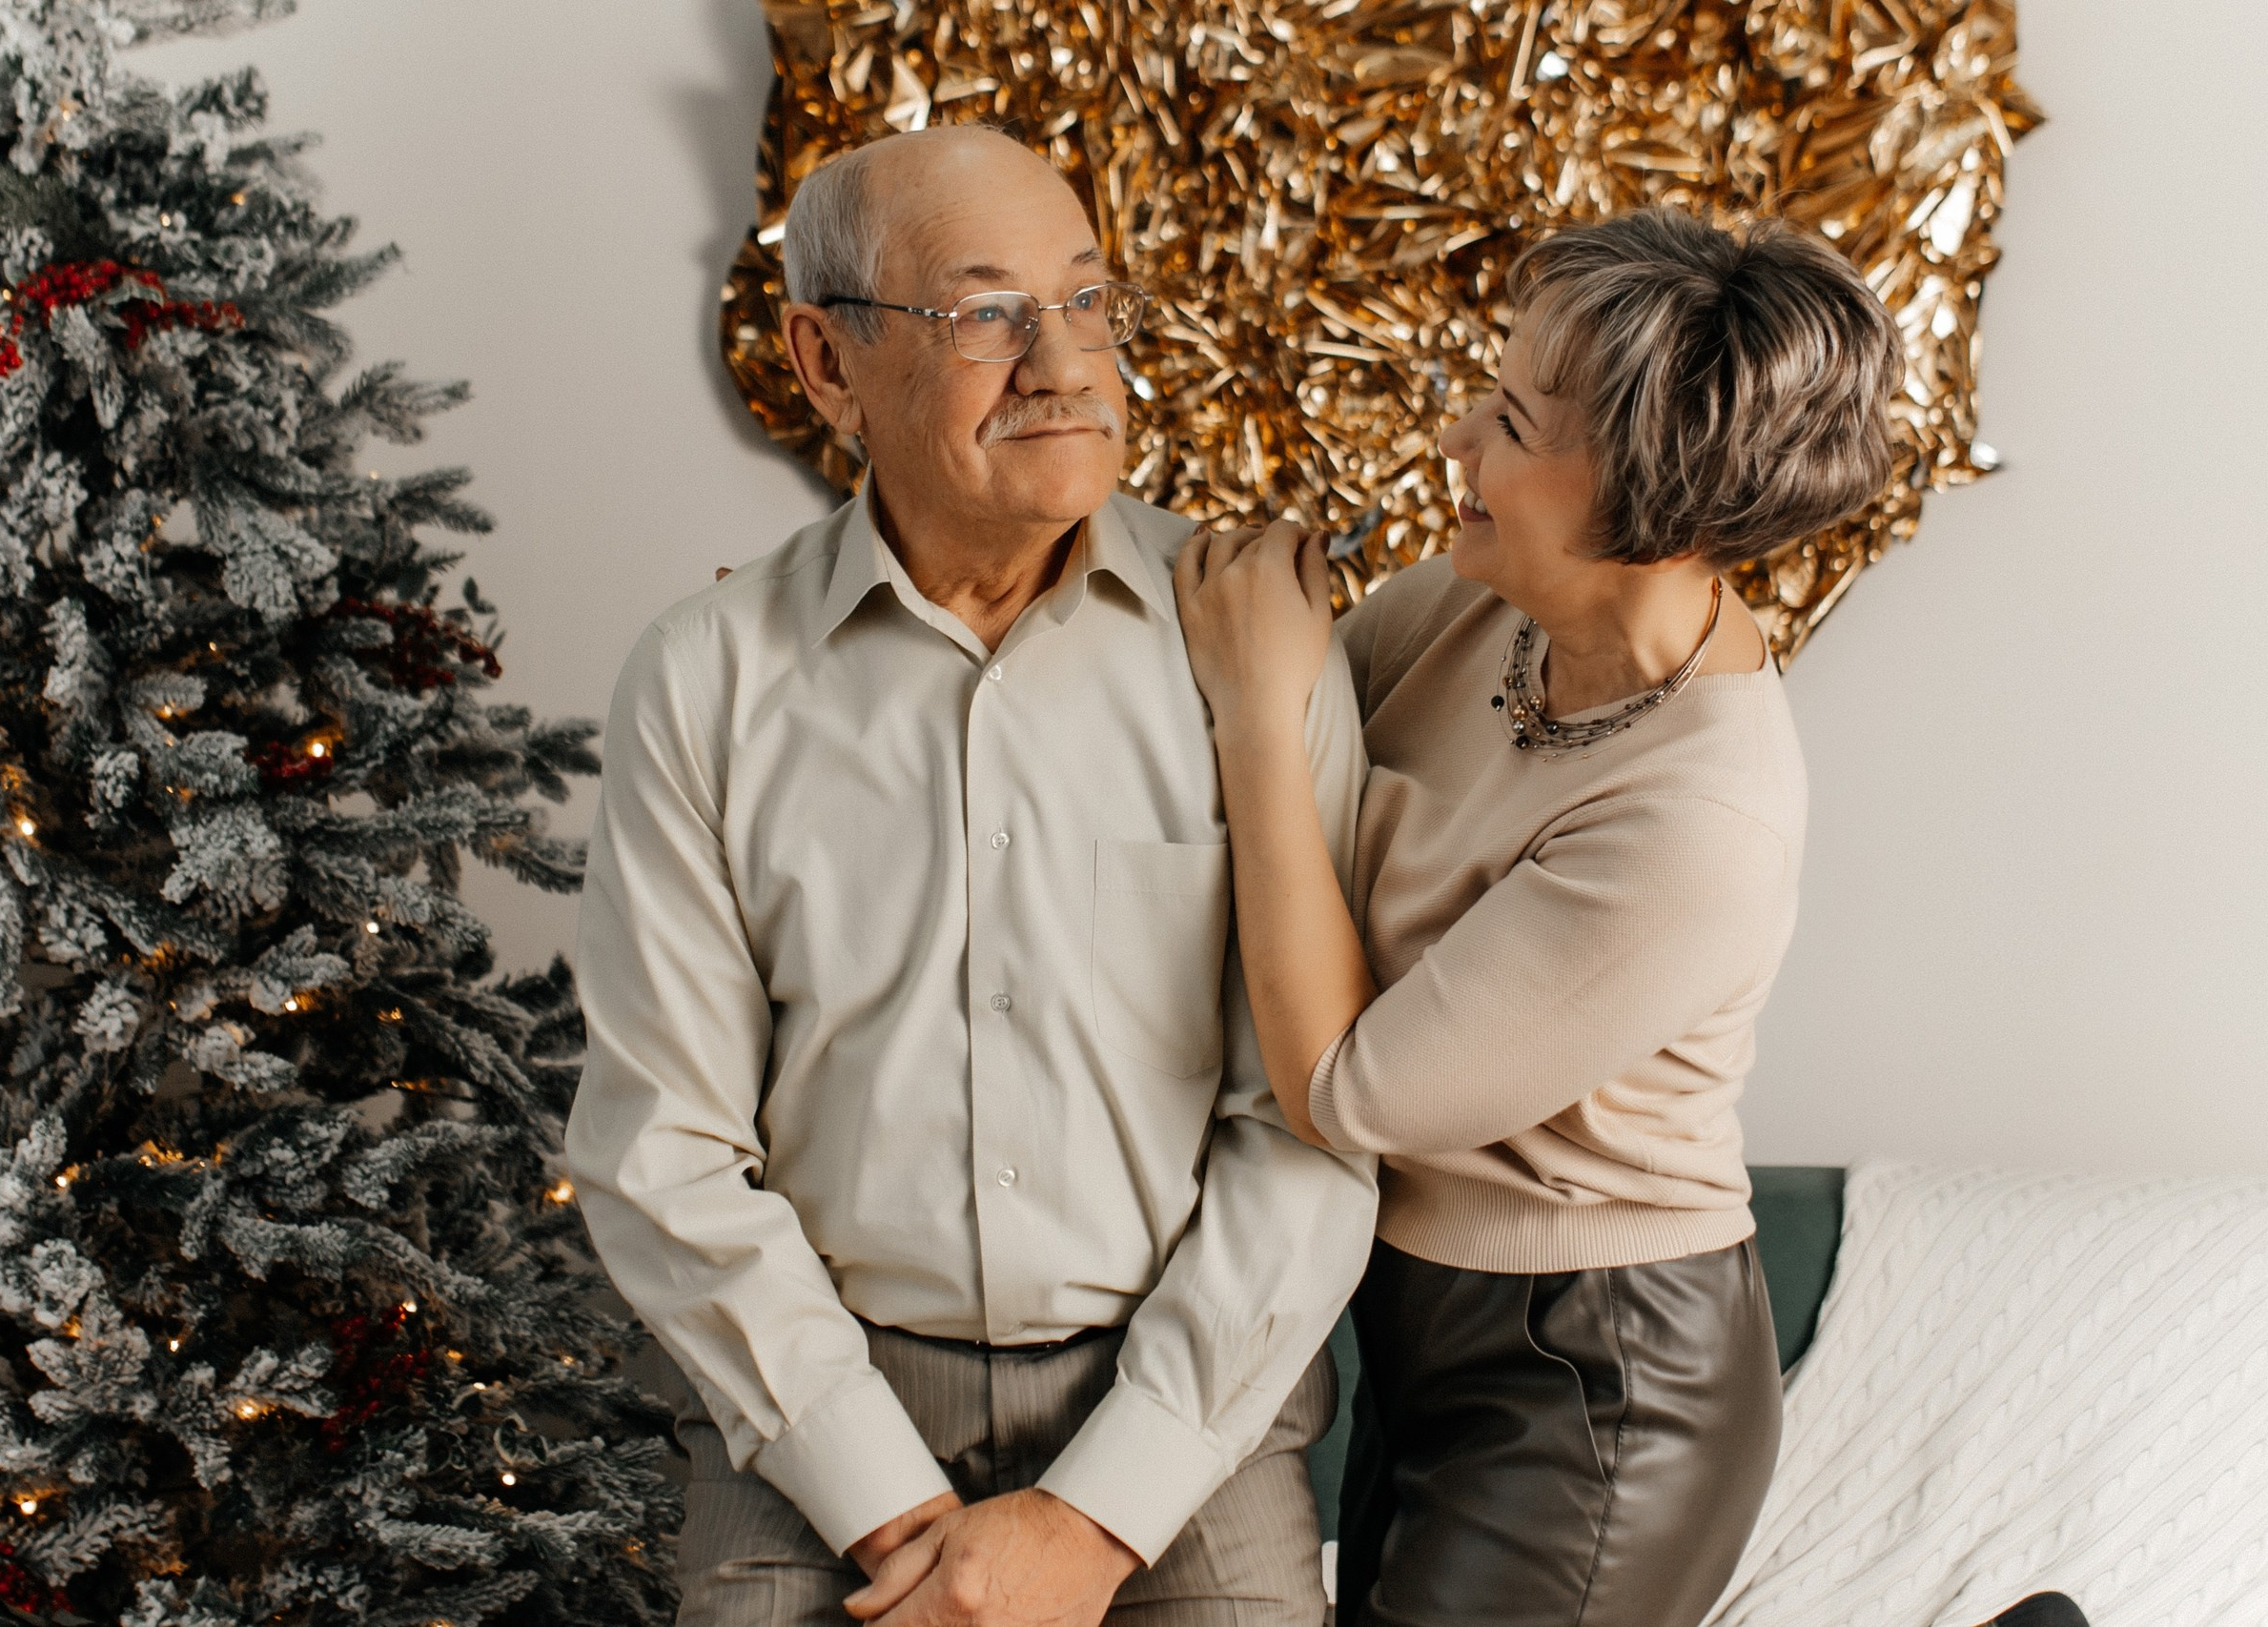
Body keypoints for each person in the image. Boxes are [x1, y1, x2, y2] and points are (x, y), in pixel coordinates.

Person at [563, 125, 1378, 1627]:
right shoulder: (706, 679)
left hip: (1186, 1406)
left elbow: (1310, 1129)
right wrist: (894, 1514)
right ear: (824, 360)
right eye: (986, 313)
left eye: (1086, 301)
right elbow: (660, 1147)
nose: (1063, 363)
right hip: (820, 1398)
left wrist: (1090, 1518)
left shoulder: (1257, 648)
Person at [1171, 208, 1904, 1627]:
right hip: (1421, 1324)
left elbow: (1347, 1085)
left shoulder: (1702, 816)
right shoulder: (1471, 609)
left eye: (1510, 419)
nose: (1457, 436)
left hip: (1596, 1376)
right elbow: (1214, 722)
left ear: (1649, 496)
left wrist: (1266, 721)